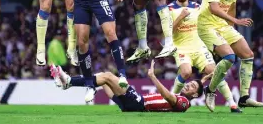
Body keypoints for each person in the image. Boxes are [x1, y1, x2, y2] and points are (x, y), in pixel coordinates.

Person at [198, 0, 263, 111]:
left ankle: (244, 97)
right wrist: (236, 21)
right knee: (229, 57)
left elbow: (231, 5)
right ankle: (210, 90)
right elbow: (214, 8)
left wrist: (231, 28)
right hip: (206, 25)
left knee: (248, 55)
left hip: (223, 26)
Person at [169, 0, 241, 113]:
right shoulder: (168, 9)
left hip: (199, 47)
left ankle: (232, 104)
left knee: (215, 72)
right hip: (181, 48)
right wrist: (180, 17)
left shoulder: (198, 7)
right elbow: (167, 32)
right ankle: (171, 101)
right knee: (186, 72)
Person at [51, 60, 210, 112]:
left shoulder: (184, 102)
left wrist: (153, 77)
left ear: (195, 95)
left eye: (191, 87)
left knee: (107, 76)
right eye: (189, 84)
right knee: (104, 77)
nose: (188, 85)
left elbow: (168, 96)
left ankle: (69, 82)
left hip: (140, 103)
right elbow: (197, 88)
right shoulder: (187, 95)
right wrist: (204, 79)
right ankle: (71, 82)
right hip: (131, 105)